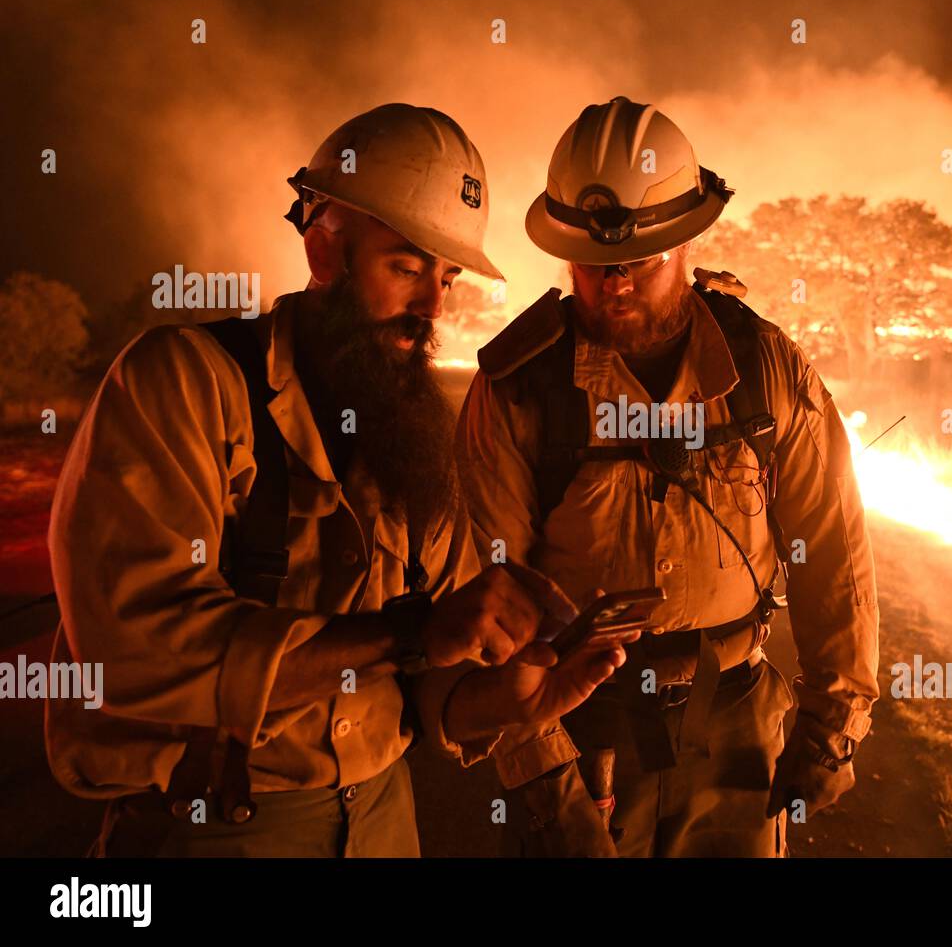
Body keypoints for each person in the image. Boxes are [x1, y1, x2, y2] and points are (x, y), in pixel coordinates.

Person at [44, 103, 628, 857]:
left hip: (385, 818)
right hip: (214, 826)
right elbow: (135, 651)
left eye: (445, 277)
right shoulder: (185, 384)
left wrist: (504, 697)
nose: (431, 308)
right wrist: (408, 633)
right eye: (406, 266)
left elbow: (430, 677)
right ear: (325, 250)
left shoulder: (411, 428)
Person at [456, 96, 880, 857]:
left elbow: (834, 548)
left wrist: (833, 727)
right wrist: (547, 783)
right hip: (579, 727)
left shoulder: (764, 367)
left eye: (637, 263)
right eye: (592, 265)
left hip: (737, 726)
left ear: (688, 241)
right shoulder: (520, 386)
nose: (612, 284)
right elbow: (495, 608)